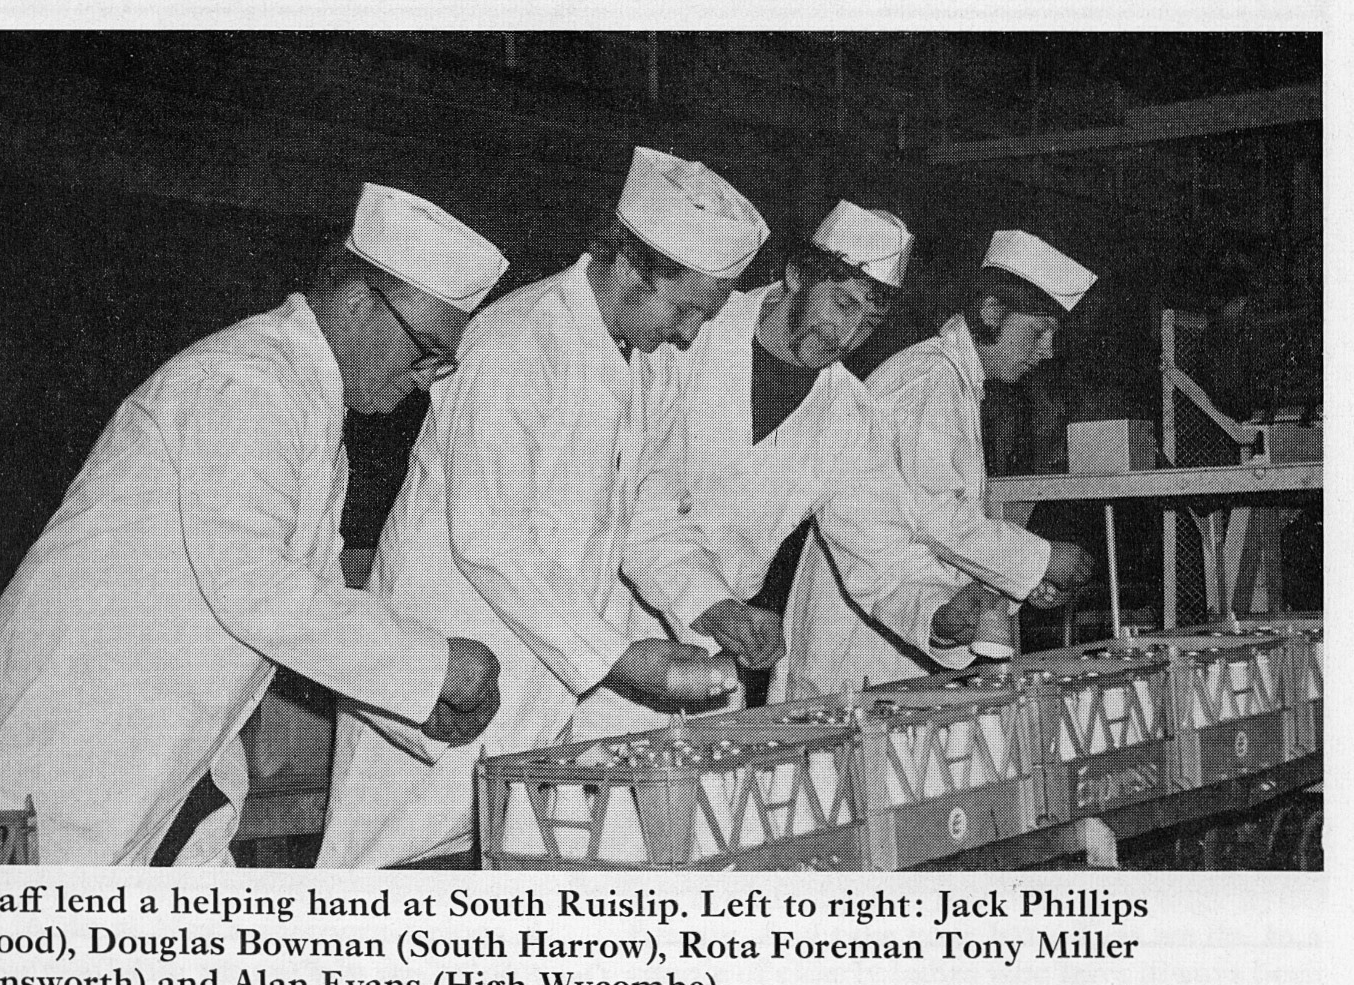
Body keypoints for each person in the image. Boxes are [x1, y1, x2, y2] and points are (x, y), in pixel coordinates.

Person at [0, 184, 510, 866]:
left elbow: (316, 611)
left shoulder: (310, 418)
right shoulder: (246, 385)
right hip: (60, 755)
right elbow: (256, 590)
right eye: (425, 350)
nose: (426, 379)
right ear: (357, 304)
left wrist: (418, 704)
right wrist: (435, 665)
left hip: (161, 768)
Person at [317, 146, 781, 869]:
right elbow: (489, 539)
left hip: (544, 693)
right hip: (450, 674)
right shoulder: (517, 343)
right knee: (401, 880)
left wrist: (712, 603)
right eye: (685, 309)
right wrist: (617, 657)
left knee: (519, 879)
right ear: (631, 268)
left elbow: (647, 513)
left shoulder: (648, 362)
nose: (691, 335)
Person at [613, 200, 1025, 721]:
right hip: (616, 638)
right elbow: (642, 508)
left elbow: (881, 551)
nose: (846, 337)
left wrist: (941, 615)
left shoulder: (850, 416)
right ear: (795, 274)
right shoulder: (684, 338)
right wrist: (711, 604)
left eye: (869, 322)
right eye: (842, 304)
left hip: (717, 658)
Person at [782, 228, 1098, 700]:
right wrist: (1044, 559)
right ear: (991, 312)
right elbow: (938, 519)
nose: (1047, 351)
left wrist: (1015, 584)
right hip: (860, 646)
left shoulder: (951, 383)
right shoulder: (929, 382)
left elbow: (926, 525)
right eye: (1037, 331)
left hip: (899, 630)